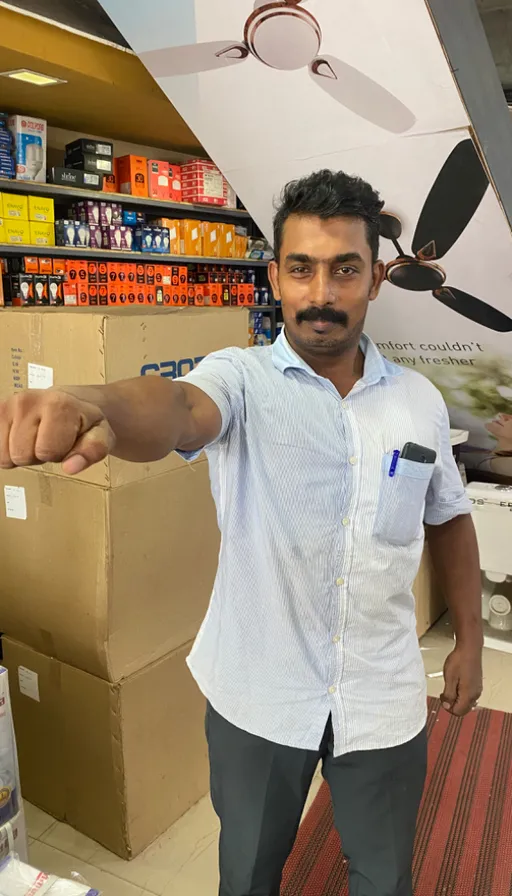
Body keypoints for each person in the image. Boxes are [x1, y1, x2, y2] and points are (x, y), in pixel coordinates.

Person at [0, 169, 483, 896]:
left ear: (378, 278)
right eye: (301, 269)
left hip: (381, 697)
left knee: (386, 881)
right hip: (257, 696)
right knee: (249, 877)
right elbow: (175, 407)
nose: (321, 294)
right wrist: (93, 398)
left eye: (345, 270)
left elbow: (448, 516)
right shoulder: (241, 378)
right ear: (275, 277)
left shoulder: (417, 402)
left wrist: (471, 642)